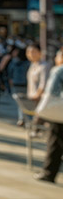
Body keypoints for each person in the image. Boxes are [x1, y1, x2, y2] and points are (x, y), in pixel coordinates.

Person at [34, 48, 63, 183]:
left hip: (59, 112)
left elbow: (51, 92)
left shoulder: (58, 70)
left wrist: (40, 112)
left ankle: (49, 172)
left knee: (55, 141)